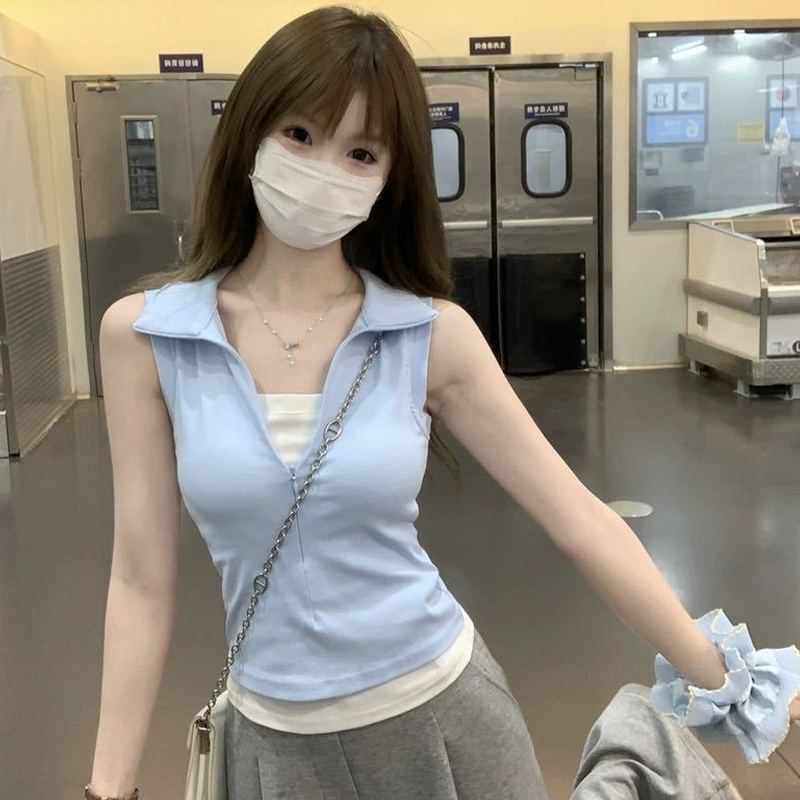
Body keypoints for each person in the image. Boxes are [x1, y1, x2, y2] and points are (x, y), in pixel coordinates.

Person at [90, 6, 800, 798]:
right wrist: (107, 788)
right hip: (272, 748)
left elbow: (582, 521)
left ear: (389, 179)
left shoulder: (429, 335)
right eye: (299, 134)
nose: (322, 169)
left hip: (445, 721)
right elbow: (139, 579)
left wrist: (735, 679)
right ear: (249, 132)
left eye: (361, 152)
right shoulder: (149, 338)